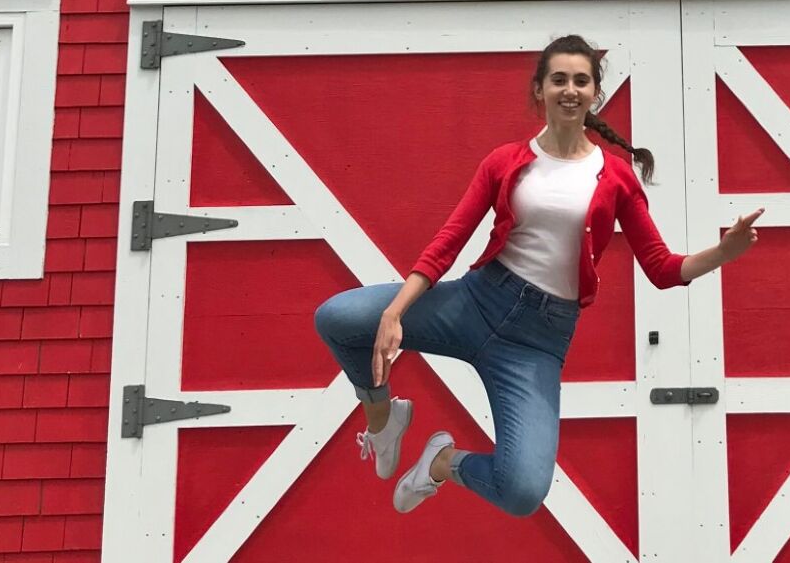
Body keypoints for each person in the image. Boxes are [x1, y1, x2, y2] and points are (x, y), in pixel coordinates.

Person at [313, 34, 764, 518]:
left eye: (581, 81)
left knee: (523, 490)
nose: (570, 90)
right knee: (338, 317)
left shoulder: (616, 177)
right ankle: (383, 417)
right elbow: (450, 239)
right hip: (475, 303)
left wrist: (722, 252)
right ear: (539, 90)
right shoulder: (504, 162)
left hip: (535, 342)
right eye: (559, 80)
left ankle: (440, 462)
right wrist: (396, 313)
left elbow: (661, 267)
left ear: (595, 93)